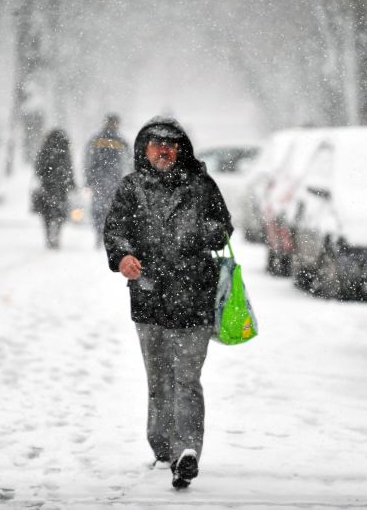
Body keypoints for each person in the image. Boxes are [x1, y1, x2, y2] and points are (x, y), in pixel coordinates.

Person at [103, 116, 233, 489]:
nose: (165, 150)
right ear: (144, 150)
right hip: (149, 299)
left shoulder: (201, 186)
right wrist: (123, 257)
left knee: (187, 379)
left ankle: (186, 452)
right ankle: (162, 446)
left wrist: (202, 233)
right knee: (159, 379)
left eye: (172, 145)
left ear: (181, 149)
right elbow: (115, 230)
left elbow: (224, 226)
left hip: (194, 299)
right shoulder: (131, 189)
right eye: (157, 144)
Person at [85, 113, 129, 247]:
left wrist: (88, 177)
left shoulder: (96, 139)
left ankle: (100, 233)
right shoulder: (121, 141)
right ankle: (107, 235)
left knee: (98, 208)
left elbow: (88, 159)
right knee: (112, 209)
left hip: (99, 179)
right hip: (114, 180)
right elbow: (128, 161)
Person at [34, 129, 75, 249]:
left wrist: (45, 177)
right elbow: (69, 169)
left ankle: (49, 237)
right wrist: (72, 183)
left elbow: (38, 169)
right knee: (60, 213)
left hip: (47, 187)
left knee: (47, 214)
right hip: (61, 188)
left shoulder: (45, 151)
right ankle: (56, 235)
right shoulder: (65, 151)